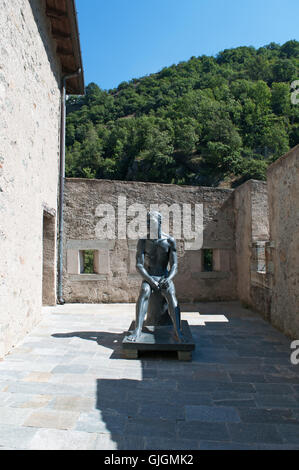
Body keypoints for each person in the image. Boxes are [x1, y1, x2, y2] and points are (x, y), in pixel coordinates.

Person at [128, 211, 185, 343]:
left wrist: (168, 278)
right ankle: (138, 329)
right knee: (144, 291)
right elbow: (139, 265)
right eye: (147, 222)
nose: (148, 225)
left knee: (171, 294)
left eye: (151, 222)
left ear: (159, 223)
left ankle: (178, 331)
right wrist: (150, 280)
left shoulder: (169, 241)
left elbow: (175, 265)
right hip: (150, 276)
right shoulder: (143, 241)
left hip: (164, 276)